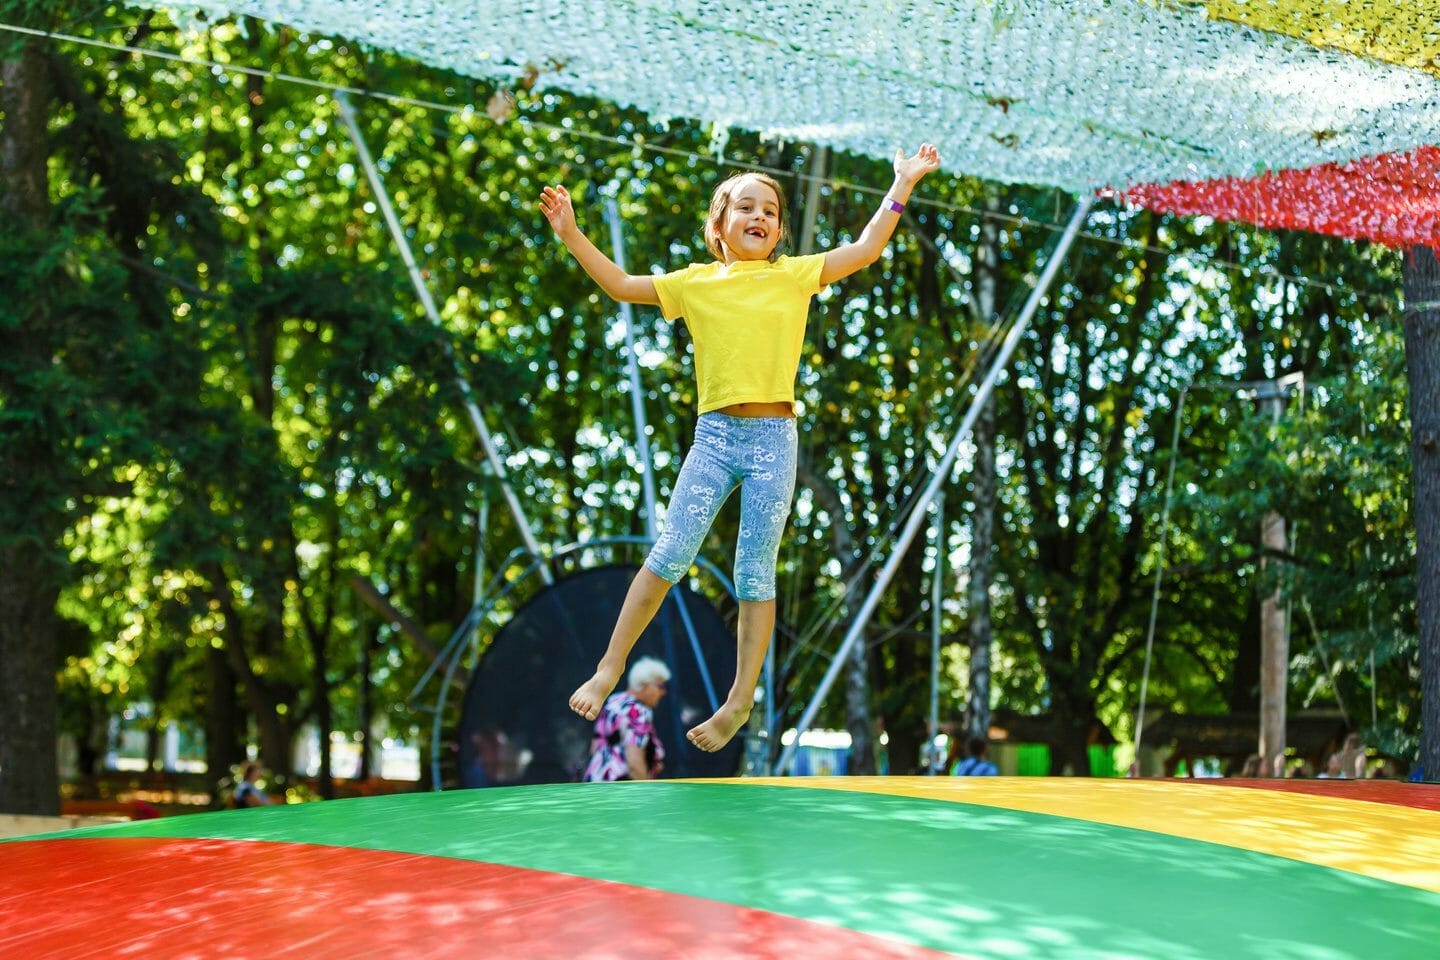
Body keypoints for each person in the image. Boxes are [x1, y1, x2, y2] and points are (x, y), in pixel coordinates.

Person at [542, 144, 942, 752]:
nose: (761, 216)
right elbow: (622, 285)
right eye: (746, 206)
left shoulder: (793, 274)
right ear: (719, 225)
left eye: (771, 210)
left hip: (773, 439)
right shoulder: (695, 284)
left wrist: (901, 184)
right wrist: (572, 234)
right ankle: (610, 666)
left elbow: (865, 250)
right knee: (671, 551)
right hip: (714, 436)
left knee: (753, 570)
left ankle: (738, 701)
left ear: (779, 229)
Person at [581, 657, 670, 782]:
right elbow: (634, 760)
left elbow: (595, 747)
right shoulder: (637, 711)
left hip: (596, 782)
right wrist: (646, 791)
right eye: (660, 686)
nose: (663, 692)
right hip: (620, 789)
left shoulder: (613, 702)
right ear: (644, 685)